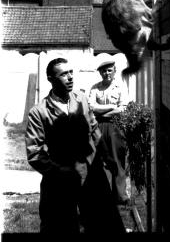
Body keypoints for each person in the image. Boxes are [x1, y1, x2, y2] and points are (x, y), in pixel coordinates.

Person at [25, 57, 125, 235]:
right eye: (64, 74)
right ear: (50, 78)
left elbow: (94, 130)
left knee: (103, 224)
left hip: (92, 174)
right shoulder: (38, 112)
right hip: (60, 180)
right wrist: (60, 172)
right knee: (60, 227)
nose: (70, 77)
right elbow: (35, 153)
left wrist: (106, 155)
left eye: (71, 72)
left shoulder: (82, 98)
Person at [89, 56, 130, 205]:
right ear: (100, 73)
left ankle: (120, 196)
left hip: (115, 126)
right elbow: (91, 107)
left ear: (114, 71)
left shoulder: (121, 87)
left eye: (109, 70)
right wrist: (111, 107)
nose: (106, 73)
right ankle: (103, 194)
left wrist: (104, 112)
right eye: (103, 71)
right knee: (100, 159)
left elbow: (123, 109)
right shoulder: (95, 88)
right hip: (98, 127)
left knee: (117, 159)